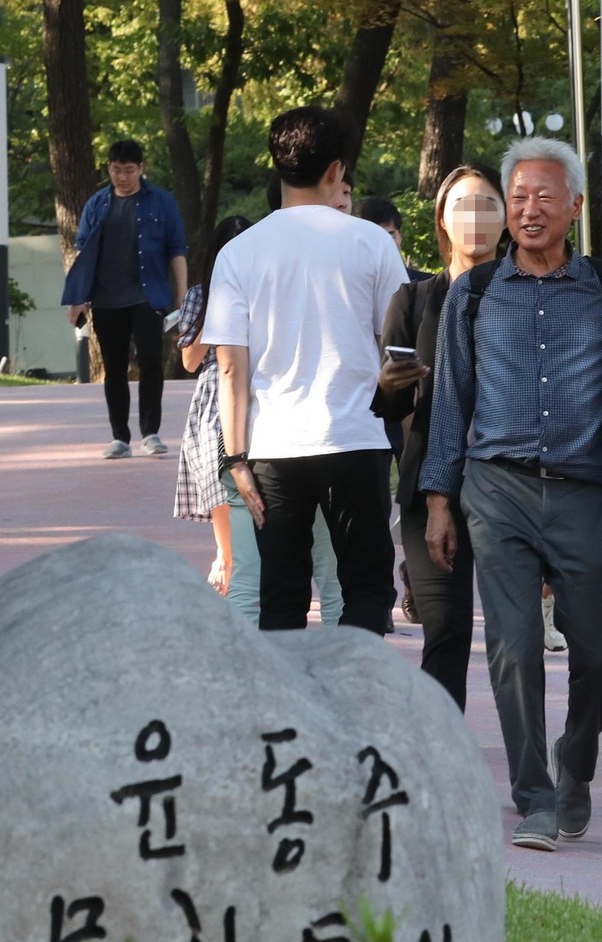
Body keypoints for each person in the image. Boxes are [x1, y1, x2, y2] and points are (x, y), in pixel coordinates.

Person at [419, 136, 602, 852]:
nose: (529, 209)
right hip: (498, 489)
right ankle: (535, 798)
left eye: (545, 196)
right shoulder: (474, 294)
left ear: (575, 205)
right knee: (512, 649)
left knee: (599, 654)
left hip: (592, 494)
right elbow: (450, 398)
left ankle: (575, 762)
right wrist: (439, 500)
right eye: (518, 198)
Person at [205, 106, 408, 633]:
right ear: (336, 170)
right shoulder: (372, 244)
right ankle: (355, 701)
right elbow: (399, 349)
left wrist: (235, 458)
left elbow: (230, 370)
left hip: (273, 447)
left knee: (282, 595)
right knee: (366, 589)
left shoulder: (238, 252)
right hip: (355, 438)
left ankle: (289, 711)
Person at [374, 163, 506, 710]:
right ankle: (439, 756)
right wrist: (388, 384)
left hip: (513, 487)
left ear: (507, 217)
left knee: (515, 641)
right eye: (461, 206)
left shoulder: (534, 297)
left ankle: (541, 767)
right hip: (432, 489)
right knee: (446, 630)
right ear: (442, 221)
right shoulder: (415, 300)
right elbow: (388, 407)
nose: (474, 217)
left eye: (487, 204)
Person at [61, 138, 187, 459]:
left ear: (141, 169)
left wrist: (182, 293)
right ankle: (120, 437)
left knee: (149, 360)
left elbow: (177, 249)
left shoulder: (161, 202)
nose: (122, 177)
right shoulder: (97, 204)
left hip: (148, 296)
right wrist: (79, 297)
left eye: (129, 170)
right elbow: (84, 254)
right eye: (116, 170)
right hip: (106, 299)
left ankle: (151, 433)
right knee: (114, 367)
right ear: (109, 169)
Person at [174, 216, 252, 595]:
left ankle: (248, 560)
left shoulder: (268, 288)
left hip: (257, 386)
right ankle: (225, 555)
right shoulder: (199, 295)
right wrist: (215, 309)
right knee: (216, 463)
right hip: (213, 390)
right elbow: (189, 361)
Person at [359, 197, 432, 282]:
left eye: (390, 236)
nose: (385, 244)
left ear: (400, 236)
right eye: (375, 238)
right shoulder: (351, 287)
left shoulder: (428, 286)